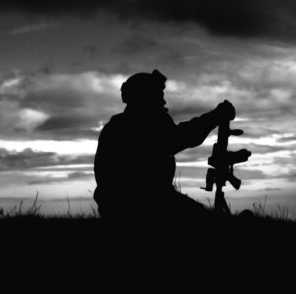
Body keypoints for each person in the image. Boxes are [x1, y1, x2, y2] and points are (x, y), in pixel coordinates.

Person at [93, 69, 235, 222]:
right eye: (158, 96)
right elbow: (181, 137)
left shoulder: (116, 126)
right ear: (145, 97)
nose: (163, 102)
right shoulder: (142, 125)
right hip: (144, 205)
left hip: (122, 206)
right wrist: (215, 116)